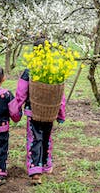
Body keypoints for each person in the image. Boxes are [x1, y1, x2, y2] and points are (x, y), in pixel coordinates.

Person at [10, 56, 67, 186]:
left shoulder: (29, 71)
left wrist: (15, 111)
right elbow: (59, 95)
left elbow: (21, 94)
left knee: (35, 139)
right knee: (47, 138)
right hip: (49, 112)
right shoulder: (54, 71)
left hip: (33, 111)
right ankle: (46, 165)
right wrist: (61, 114)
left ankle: (36, 171)